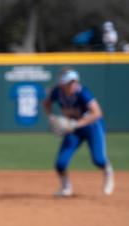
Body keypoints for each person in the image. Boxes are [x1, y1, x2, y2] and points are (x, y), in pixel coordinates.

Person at [43, 68, 114, 196]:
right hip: (73, 129)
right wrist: (51, 117)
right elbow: (46, 103)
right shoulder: (57, 92)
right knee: (60, 163)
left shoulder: (82, 93)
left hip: (92, 127)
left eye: (74, 82)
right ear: (62, 84)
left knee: (98, 160)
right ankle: (66, 188)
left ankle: (108, 172)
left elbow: (97, 113)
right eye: (69, 83)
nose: (73, 85)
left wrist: (76, 124)